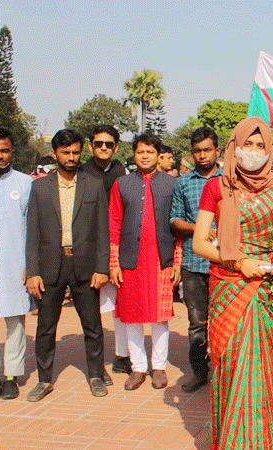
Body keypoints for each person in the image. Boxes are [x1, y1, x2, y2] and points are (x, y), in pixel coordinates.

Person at [192, 117, 273, 449]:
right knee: (234, 363)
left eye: (260, 146)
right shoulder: (217, 186)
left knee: (265, 367)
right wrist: (239, 262)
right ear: (234, 146)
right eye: (247, 144)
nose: (252, 152)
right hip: (230, 285)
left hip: (268, 289)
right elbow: (199, 243)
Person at [25, 129, 110, 401]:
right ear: (54, 154)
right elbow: (33, 233)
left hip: (85, 265)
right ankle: (44, 379)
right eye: (65, 152)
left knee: (93, 326)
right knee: (46, 328)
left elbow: (102, 231)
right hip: (51, 265)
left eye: (75, 152)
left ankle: (96, 375)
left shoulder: (93, 185)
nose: (71, 157)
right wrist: (33, 272)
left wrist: (102, 268)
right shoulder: (39, 187)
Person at [108, 132, 182, 391]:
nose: (145, 156)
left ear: (158, 155)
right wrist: (114, 264)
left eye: (150, 152)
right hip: (130, 259)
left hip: (161, 259)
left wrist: (177, 262)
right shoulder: (122, 184)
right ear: (134, 154)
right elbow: (114, 224)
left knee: (160, 316)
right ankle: (138, 367)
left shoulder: (172, 184)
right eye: (140, 152)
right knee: (131, 316)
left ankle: (158, 367)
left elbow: (177, 228)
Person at [170, 127, 222, 393]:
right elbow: (175, 220)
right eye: (197, 151)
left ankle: (226, 373)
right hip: (194, 263)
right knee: (197, 323)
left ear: (218, 151)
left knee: (225, 322)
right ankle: (200, 373)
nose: (202, 155)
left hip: (225, 263)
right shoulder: (183, 182)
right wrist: (199, 229)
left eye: (207, 150)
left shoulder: (230, 181)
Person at [80, 124, 131, 376]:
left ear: (116, 147)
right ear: (90, 146)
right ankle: (96, 364)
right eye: (98, 144)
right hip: (87, 248)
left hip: (116, 247)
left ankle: (123, 355)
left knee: (118, 304)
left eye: (108, 144)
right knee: (92, 308)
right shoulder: (81, 173)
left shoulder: (122, 174)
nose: (103, 148)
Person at [0, 126, 33, 401]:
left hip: (17, 262)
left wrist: (32, 265)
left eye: (4, 150)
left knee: (16, 320)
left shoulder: (26, 182)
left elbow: (33, 227)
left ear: (12, 151)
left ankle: (13, 375)